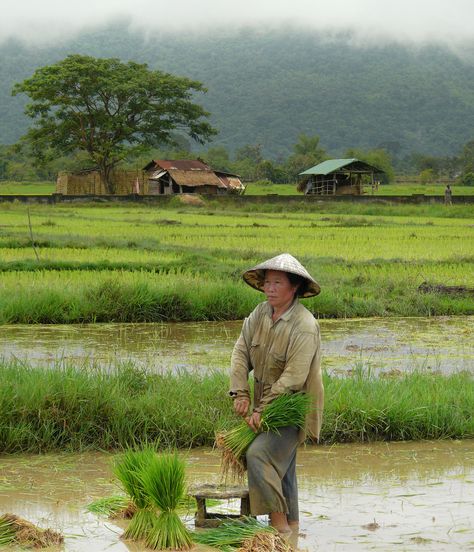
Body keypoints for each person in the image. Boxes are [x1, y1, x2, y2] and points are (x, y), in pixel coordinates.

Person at [229, 253, 324, 534]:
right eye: (267, 282)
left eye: (277, 283)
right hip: (264, 406)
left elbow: (293, 378)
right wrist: (240, 394)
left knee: (259, 454)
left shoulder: (304, 326)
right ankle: (293, 530)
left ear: (293, 287)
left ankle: (279, 528)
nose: (269, 288)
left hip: (293, 409)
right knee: (285, 471)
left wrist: (262, 411)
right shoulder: (259, 314)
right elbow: (240, 351)